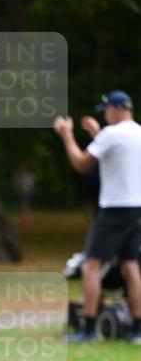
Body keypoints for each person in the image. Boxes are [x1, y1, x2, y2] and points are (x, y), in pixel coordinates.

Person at [54, 90, 141, 343]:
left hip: (114, 209)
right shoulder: (137, 133)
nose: (105, 115)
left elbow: (81, 163)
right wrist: (98, 134)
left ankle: (88, 329)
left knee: (90, 266)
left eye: (106, 111)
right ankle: (137, 329)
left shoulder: (112, 134)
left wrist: (67, 136)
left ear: (116, 109)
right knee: (130, 266)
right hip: (136, 208)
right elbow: (118, 156)